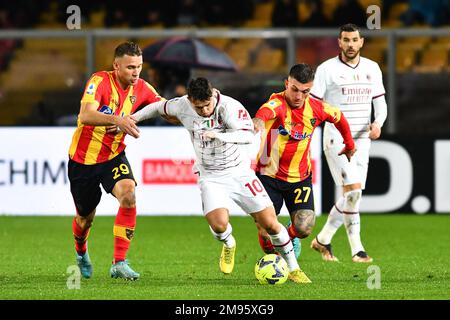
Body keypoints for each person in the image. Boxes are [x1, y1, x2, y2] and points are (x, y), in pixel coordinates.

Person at [125, 77, 311, 284]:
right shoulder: (182, 106)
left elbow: (248, 135)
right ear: (190, 100)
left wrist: (221, 136)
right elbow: (158, 107)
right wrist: (132, 118)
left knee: (271, 224)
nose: (204, 111)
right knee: (220, 225)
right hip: (211, 177)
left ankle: (294, 269)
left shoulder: (229, 107)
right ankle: (229, 244)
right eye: (199, 107)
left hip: (240, 173)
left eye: (207, 105)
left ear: (213, 95)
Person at [68, 42, 163, 280]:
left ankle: (119, 262)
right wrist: (120, 121)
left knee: (128, 195)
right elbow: (85, 115)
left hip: (113, 156)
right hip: (83, 161)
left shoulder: (141, 87)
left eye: (139, 66)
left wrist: (190, 112)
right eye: (131, 67)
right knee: (85, 218)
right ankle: (81, 251)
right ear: (116, 65)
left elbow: (163, 107)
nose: (136, 72)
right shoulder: (99, 81)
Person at [253, 63, 356, 263]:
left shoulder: (317, 109)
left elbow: (339, 117)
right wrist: (257, 120)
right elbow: (266, 112)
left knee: (304, 228)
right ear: (286, 84)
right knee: (266, 237)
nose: (299, 96)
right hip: (267, 174)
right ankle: (276, 243)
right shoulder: (278, 103)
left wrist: (349, 144)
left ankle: (287, 238)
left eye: (305, 91)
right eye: (294, 89)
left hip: (299, 178)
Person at [310, 24, 388, 263]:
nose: (351, 44)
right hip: (336, 139)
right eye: (346, 40)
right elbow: (313, 105)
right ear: (339, 42)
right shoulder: (326, 70)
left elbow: (381, 104)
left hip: (363, 139)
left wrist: (378, 123)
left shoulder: (372, 68)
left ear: (361, 42)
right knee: (353, 191)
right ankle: (357, 250)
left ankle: (322, 239)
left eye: (355, 40)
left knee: (354, 195)